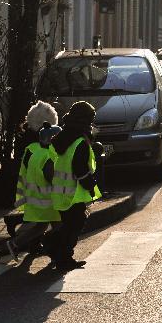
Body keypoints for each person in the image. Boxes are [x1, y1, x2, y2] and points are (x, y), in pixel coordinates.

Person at [50, 101, 101, 271]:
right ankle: (63, 256)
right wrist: (90, 186)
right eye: (91, 119)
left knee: (67, 224)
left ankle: (57, 251)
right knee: (75, 224)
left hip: (60, 190)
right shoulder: (80, 141)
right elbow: (80, 169)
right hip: (73, 192)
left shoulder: (63, 136)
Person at [7, 102, 61, 260]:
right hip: (48, 198)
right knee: (57, 225)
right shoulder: (47, 152)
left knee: (41, 225)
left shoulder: (30, 147)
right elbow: (51, 175)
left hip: (33, 196)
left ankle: (30, 246)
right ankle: (55, 251)